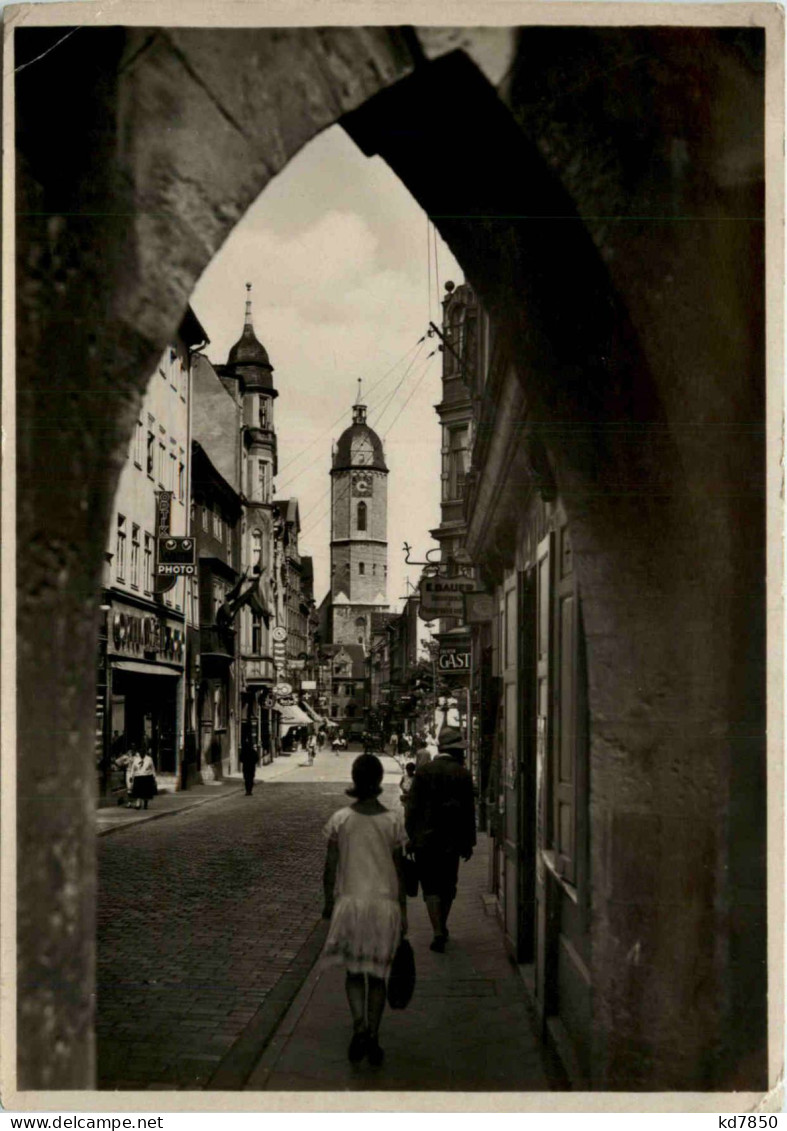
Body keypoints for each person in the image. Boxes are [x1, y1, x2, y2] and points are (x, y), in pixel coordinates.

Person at [322, 753, 408, 1067]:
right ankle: (373, 1034)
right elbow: (400, 871)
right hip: (384, 907)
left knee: (354, 972)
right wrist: (404, 912)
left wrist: (328, 903)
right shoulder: (394, 821)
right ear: (379, 781)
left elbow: (330, 868)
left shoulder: (340, 820)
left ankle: (358, 1024)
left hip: (351, 905)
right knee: (378, 977)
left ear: (355, 780)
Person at [405, 726, 476, 953]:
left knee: (431, 887)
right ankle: (442, 925)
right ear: (457, 752)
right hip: (451, 841)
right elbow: (468, 811)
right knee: (448, 885)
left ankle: (437, 930)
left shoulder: (424, 772)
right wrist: (469, 842)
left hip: (425, 841)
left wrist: (412, 835)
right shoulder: (463, 774)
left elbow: (412, 808)